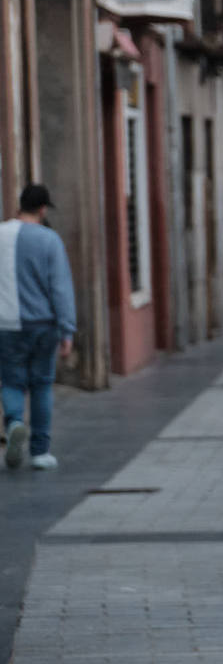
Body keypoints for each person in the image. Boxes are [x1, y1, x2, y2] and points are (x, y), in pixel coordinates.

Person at [0, 184, 76, 471]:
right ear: (43, 209)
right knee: (42, 383)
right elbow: (60, 288)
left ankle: (15, 423)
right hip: (43, 325)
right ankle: (40, 452)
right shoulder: (49, 240)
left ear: (20, 205)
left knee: (11, 381)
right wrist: (67, 329)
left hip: (6, 324)